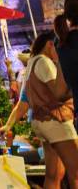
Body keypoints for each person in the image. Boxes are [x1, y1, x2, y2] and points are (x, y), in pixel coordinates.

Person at [23, 32, 78, 189]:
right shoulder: (44, 62)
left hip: (41, 121)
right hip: (55, 120)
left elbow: (25, 98)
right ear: (49, 45)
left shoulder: (32, 62)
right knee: (76, 172)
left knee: (54, 174)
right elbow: (58, 92)